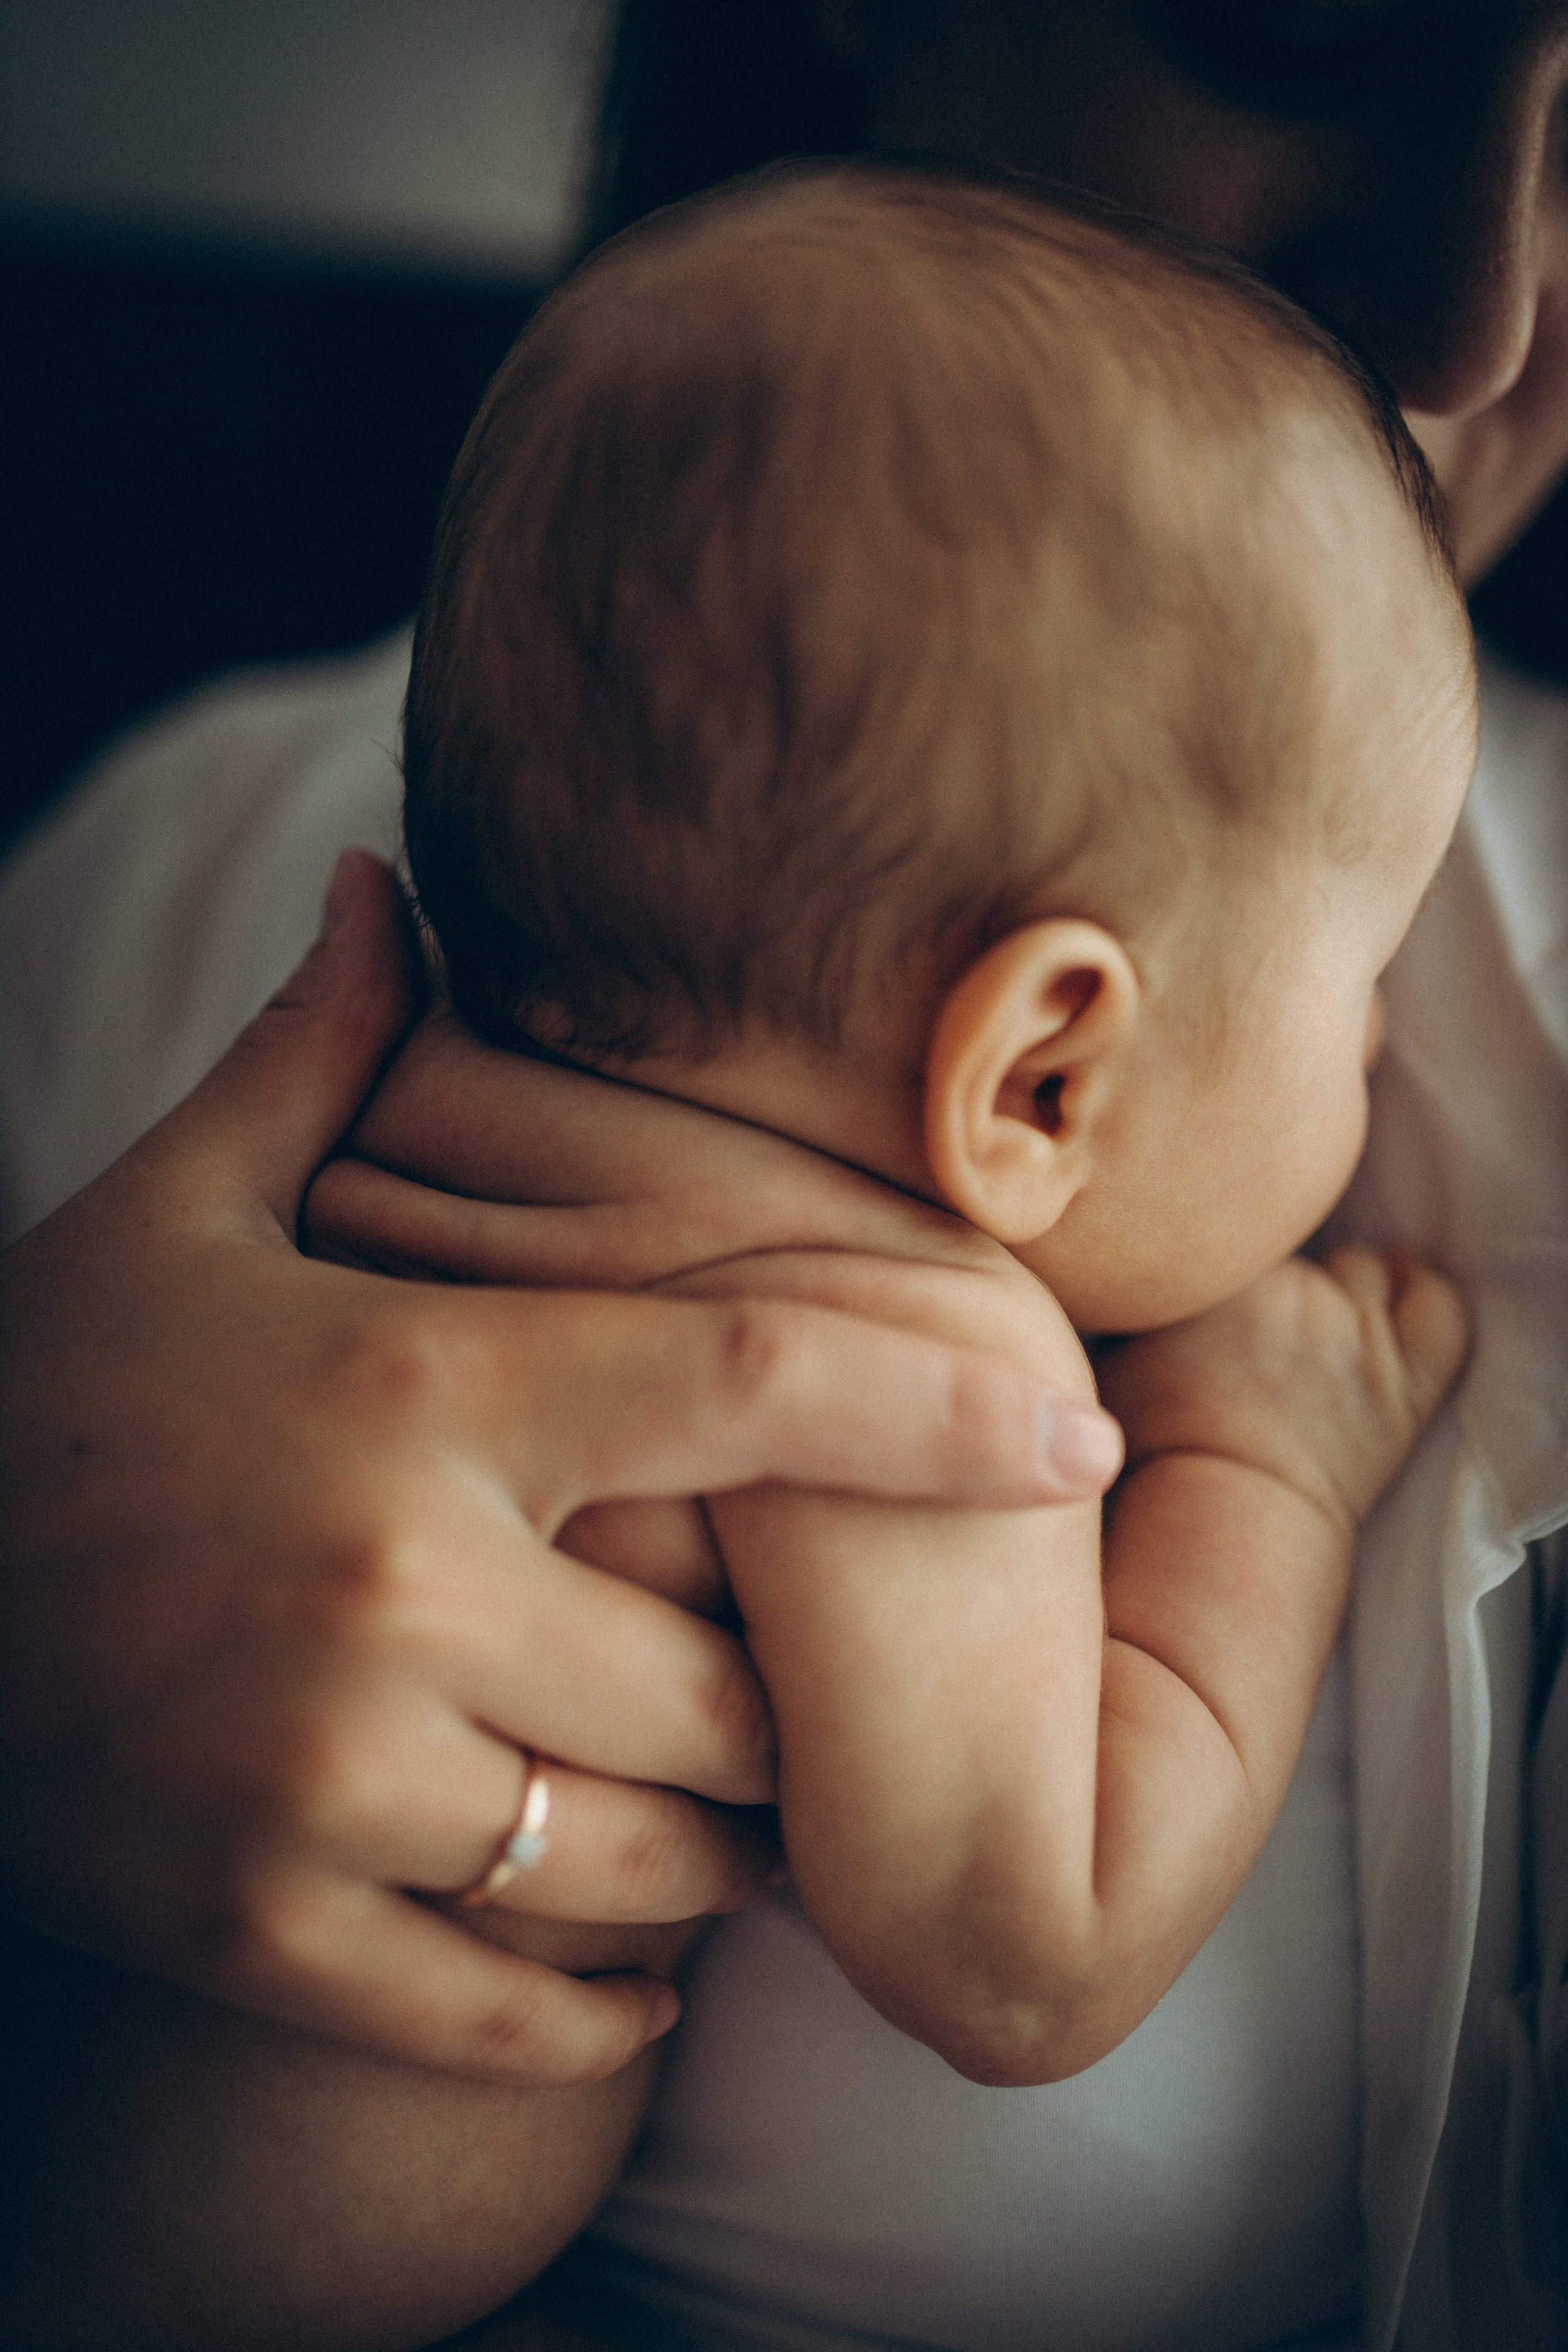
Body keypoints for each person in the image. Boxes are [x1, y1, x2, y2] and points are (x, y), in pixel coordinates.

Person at [0, 2, 1564, 2346]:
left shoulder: (435, 1070)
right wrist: (1268, 1465)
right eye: (1305, 18)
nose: (1482, 317)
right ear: (1036, 1077)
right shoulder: (890, 1355)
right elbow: (1028, 1958)